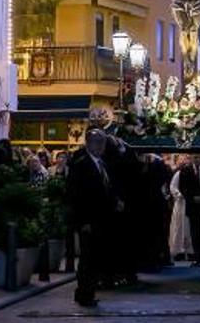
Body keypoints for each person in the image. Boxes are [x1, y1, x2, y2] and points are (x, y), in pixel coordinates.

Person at [67, 129, 118, 307]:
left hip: (102, 220)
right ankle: (84, 293)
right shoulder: (81, 164)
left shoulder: (102, 164)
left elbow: (105, 190)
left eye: (102, 143)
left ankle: (89, 291)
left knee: (95, 257)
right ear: (88, 144)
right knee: (87, 258)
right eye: (97, 142)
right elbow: (76, 196)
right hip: (88, 221)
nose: (100, 146)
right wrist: (83, 222)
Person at [168, 157, 193, 262]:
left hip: (189, 204)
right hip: (180, 203)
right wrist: (179, 194)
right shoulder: (178, 174)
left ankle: (191, 251)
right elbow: (173, 186)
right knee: (179, 227)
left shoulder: (192, 174)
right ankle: (179, 251)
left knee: (189, 227)